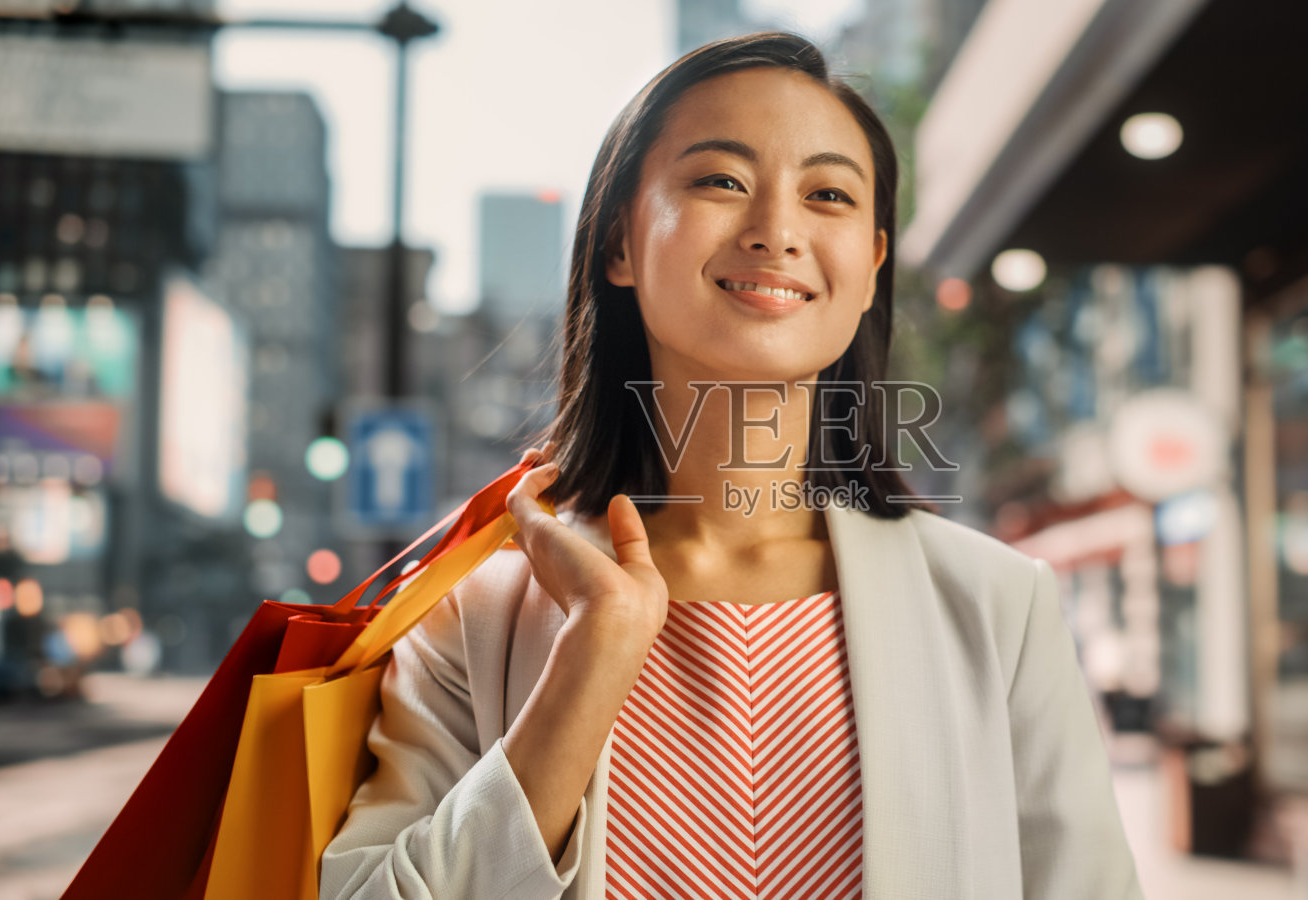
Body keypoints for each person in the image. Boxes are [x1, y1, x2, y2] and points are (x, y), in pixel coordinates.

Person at [320, 31, 1143, 900]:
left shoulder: (998, 607)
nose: (777, 231)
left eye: (828, 194)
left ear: (869, 268)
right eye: (720, 180)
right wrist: (591, 657)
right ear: (619, 246)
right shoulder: (475, 614)